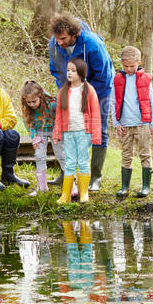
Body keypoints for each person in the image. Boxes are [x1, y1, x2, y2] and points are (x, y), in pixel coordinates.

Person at [49, 11, 114, 192]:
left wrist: (87, 95)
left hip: (99, 89)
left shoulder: (92, 44)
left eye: (63, 38)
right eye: (57, 38)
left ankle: (95, 177)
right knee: (67, 126)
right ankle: (66, 173)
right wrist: (67, 91)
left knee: (97, 128)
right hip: (70, 88)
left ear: (73, 33)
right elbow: (55, 70)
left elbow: (103, 75)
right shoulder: (54, 45)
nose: (59, 42)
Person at [110, 46, 153, 198]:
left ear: (139, 63)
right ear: (121, 63)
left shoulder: (145, 79)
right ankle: (125, 187)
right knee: (126, 154)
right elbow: (113, 102)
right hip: (125, 124)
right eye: (126, 66)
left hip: (143, 123)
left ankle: (146, 186)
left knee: (145, 153)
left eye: (132, 66)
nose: (129, 69)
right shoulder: (117, 79)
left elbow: (152, 102)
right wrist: (116, 123)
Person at [53, 58, 101, 204]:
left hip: (83, 132)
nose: (69, 73)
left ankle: (84, 193)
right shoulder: (63, 92)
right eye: (68, 70)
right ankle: (65, 195)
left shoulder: (89, 90)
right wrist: (57, 133)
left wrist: (96, 135)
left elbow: (96, 114)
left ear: (81, 73)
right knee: (69, 162)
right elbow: (59, 116)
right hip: (68, 132)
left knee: (83, 161)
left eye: (73, 70)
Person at [21, 80, 67, 196]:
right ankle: (42, 187)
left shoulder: (52, 104)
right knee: (39, 156)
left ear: (40, 96)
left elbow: (62, 117)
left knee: (61, 155)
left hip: (55, 131)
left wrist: (59, 132)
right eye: (29, 102)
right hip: (39, 132)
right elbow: (27, 122)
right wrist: (34, 136)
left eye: (34, 101)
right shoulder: (27, 106)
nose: (32, 104)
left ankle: (71, 185)